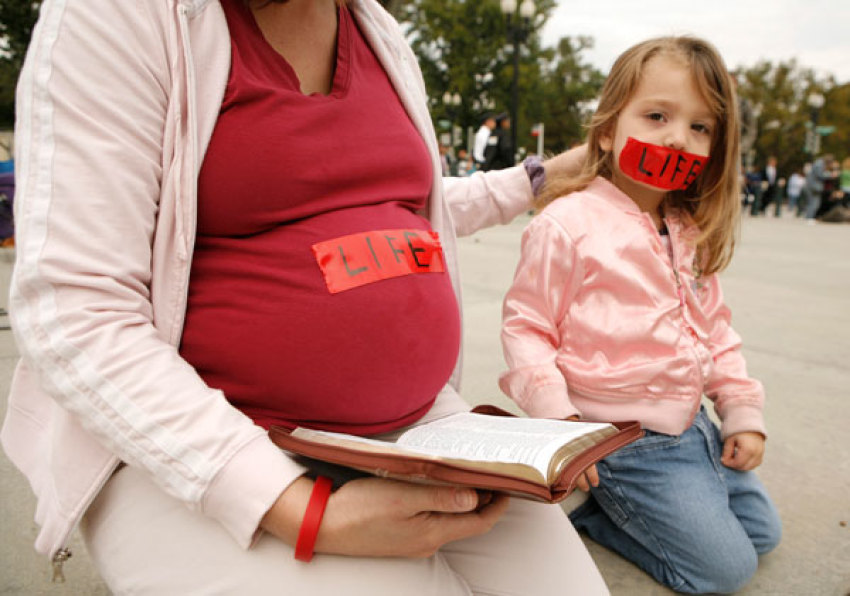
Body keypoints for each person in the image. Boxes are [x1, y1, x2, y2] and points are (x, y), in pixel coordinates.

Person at [3, 1, 610, 594]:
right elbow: (77, 308)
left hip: (417, 434)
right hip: (207, 448)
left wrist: (544, 175)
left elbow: (389, 204)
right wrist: (297, 508)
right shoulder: (119, 15)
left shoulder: (378, 29)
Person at [499, 36, 781, 594]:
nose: (678, 137)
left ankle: (626, 506)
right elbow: (527, 329)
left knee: (762, 534)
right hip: (621, 439)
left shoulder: (687, 229)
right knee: (723, 572)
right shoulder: (568, 223)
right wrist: (563, 427)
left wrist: (741, 410)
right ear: (608, 129)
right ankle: (591, 509)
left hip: (692, 425)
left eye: (700, 127)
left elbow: (715, 328)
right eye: (657, 116)